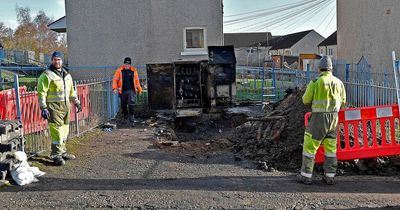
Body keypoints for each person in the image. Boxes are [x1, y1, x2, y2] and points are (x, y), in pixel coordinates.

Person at [299, 56, 346, 185]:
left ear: (319, 68)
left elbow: (305, 100)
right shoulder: (339, 83)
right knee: (331, 149)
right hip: (334, 118)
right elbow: (343, 101)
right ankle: (330, 176)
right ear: (331, 68)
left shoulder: (315, 82)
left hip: (318, 119)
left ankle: (306, 176)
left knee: (310, 147)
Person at [38, 51, 82, 166]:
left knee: (64, 131)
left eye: (59, 59)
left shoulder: (67, 75)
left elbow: (71, 91)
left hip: (65, 106)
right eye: (55, 59)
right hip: (53, 107)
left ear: (62, 61)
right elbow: (41, 92)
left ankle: (62, 152)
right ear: (52, 60)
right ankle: (55, 155)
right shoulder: (47, 75)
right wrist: (43, 107)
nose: (57, 61)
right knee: (56, 131)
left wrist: (76, 102)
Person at [112, 57, 142, 125]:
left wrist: (139, 89)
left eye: (128, 64)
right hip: (122, 91)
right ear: (124, 64)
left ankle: (132, 119)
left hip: (131, 90)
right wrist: (114, 88)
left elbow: (137, 81)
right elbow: (115, 80)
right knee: (123, 105)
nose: (127, 65)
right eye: (126, 64)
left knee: (131, 104)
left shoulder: (133, 71)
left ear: (130, 65)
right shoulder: (119, 71)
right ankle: (125, 117)